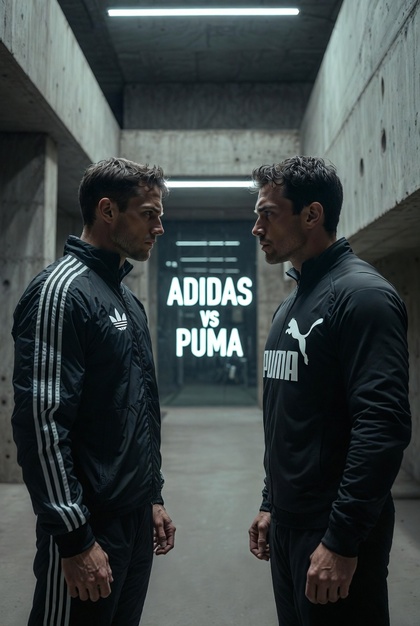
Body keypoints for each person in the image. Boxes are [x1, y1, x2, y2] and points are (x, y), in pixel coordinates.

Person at [11, 157, 175, 626]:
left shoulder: (125, 298)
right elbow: (42, 424)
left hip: (133, 520)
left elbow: (139, 408)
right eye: (148, 214)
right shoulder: (61, 293)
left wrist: (152, 496)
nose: (159, 227)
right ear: (107, 210)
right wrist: (75, 539)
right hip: (89, 526)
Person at [248, 155, 411, 626]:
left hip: (333, 531)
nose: (257, 228)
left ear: (312, 215)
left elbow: (381, 427)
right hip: (290, 526)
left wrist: (341, 539)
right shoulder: (291, 305)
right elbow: (289, 418)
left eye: (268, 214)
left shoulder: (362, 297)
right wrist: (271, 502)